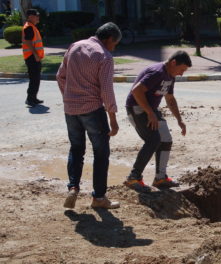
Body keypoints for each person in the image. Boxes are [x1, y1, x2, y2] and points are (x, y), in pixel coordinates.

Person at [56, 22, 121, 209]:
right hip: (92, 109)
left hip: (70, 110)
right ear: (109, 39)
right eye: (114, 44)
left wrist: (69, 97)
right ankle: (99, 197)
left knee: (76, 149)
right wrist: (113, 120)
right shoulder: (104, 56)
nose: (113, 48)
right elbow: (107, 91)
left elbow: (61, 76)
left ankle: (73, 187)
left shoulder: (75, 46)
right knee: (101, 153)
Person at [124, 51, 192, 190]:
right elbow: (136, 91)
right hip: (137, 108)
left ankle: (160, 179)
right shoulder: (157, 72)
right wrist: (150, 113)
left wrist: (179, 120)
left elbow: (170, 99)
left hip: (151, 110)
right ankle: (133, 178)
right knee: (153, 140)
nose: (181, 74)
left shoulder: (170, 76)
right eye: (181, 69)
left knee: (166, 139)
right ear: (173, 63)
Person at [22, 8, 44, 107]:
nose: (38, 17)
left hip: (33, 56)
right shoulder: (29, 27)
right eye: (36, 15)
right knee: (34, 78)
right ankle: (30, 99)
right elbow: (28, 42)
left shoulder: (32, 26)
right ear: (30, 17)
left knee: (36, 78)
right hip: (31, 57)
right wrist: (35, 54)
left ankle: (33, 98)